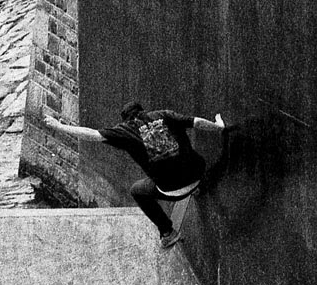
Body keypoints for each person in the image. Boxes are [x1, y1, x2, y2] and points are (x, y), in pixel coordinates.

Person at [42, 98, 226, 249]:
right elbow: (197, 122)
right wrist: (219, 126)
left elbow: (92, 134)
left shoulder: (125, 131)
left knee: (137, 190)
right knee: (188, 157)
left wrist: (59, 126)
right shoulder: (164, 115)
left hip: (173, 191)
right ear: (143, 111)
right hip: (198, 174)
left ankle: (168, 233)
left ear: (126, 120)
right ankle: (199, 188)